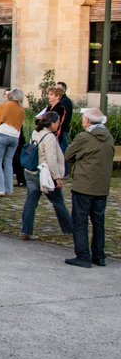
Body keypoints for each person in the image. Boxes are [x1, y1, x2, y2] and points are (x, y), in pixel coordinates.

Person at [63, 108, 113, 268]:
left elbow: (68, 154)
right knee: (98, 221)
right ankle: (99, 255)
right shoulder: (108, 137)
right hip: (102, 185)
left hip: (84, 184)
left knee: (80, 220)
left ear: (88, 121)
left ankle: (83, 256)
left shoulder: (84, 137)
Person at [19, 112, 71, 240]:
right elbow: (51, 159)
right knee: (58, 202)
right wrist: (57, 177)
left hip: (31, 171)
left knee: (31, 201)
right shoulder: (49, 137)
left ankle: (26, 230)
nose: (59, 124)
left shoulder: (36, 132)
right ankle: (69, 230)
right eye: (58, 121)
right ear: (51, 123)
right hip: (44, 173)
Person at [0, 88, 25, 196]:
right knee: (8, 162)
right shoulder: (22, 109)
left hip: (2, 133)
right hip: (15, 136)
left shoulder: (3, 105)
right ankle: (8, 188)